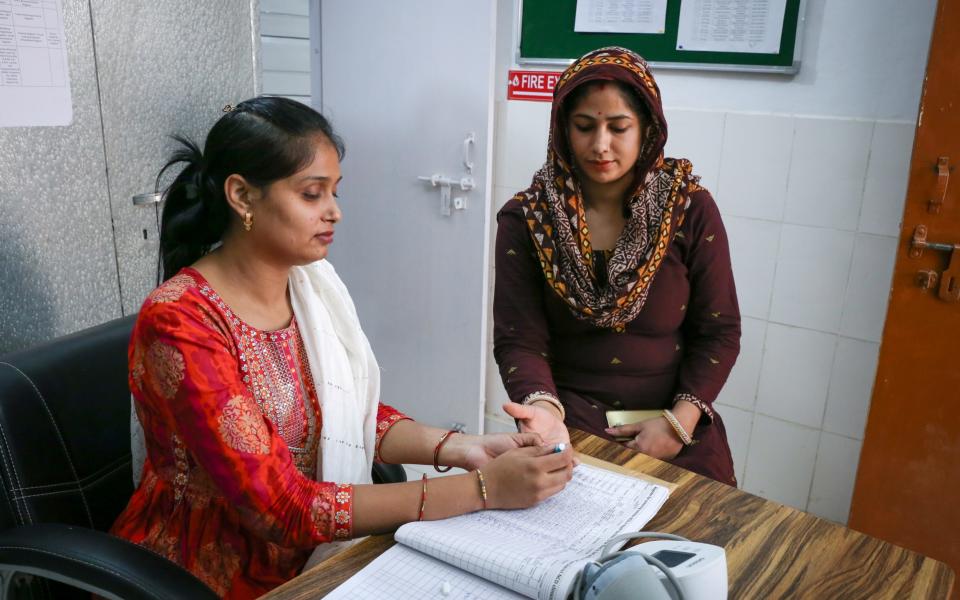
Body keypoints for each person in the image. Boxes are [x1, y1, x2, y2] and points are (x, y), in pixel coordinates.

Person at [111, 96, 574, 599]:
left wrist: (466, 449)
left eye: (334, 192)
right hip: (205, 576)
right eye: (312, 194)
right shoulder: (182, 321)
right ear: (242, 196)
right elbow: (278, 508)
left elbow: (345, 415)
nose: (334, 211)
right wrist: (481, 492)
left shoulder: (307, 286)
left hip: (317, 555)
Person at [495, 47, 739, 485]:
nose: (600, 145)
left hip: (674, 420)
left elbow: (719, 331)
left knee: (699, 541)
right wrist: (544, 411)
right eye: (584, 127)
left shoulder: (688, 209)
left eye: (618, 127)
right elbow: (520, 339)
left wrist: (678, 423)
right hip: (571, 420)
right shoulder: (529, 218)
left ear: (647, 128)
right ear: (562, 130)